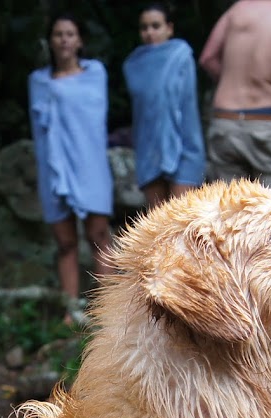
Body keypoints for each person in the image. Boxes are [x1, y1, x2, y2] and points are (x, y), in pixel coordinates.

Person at [29, 14, 115, 312]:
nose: (64, 39)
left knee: (98, 236)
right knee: (65, 243)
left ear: (79, 41)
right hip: (54, 169)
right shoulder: (38, 82)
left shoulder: (95, 75)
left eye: (70, 34)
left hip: (89, 165)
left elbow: (92, 120)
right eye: (58, 34)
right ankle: (70, 311)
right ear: (50, 41)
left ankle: (108, 311)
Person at [198, 0, 271, 204]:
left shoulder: (240, 10)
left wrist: (229, 79)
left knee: (229, 212)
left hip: (225, 122)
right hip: (265, 125)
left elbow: (208, 58)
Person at [124, 2, 206, 211]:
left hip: (186, 146)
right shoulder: (133, 65)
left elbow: (184, 104)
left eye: (156, 26)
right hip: (149, 149)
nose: (150, 32)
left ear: (169, 28)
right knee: (158, 229)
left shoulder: (180, 56)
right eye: (144, 27)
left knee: (182, 222)